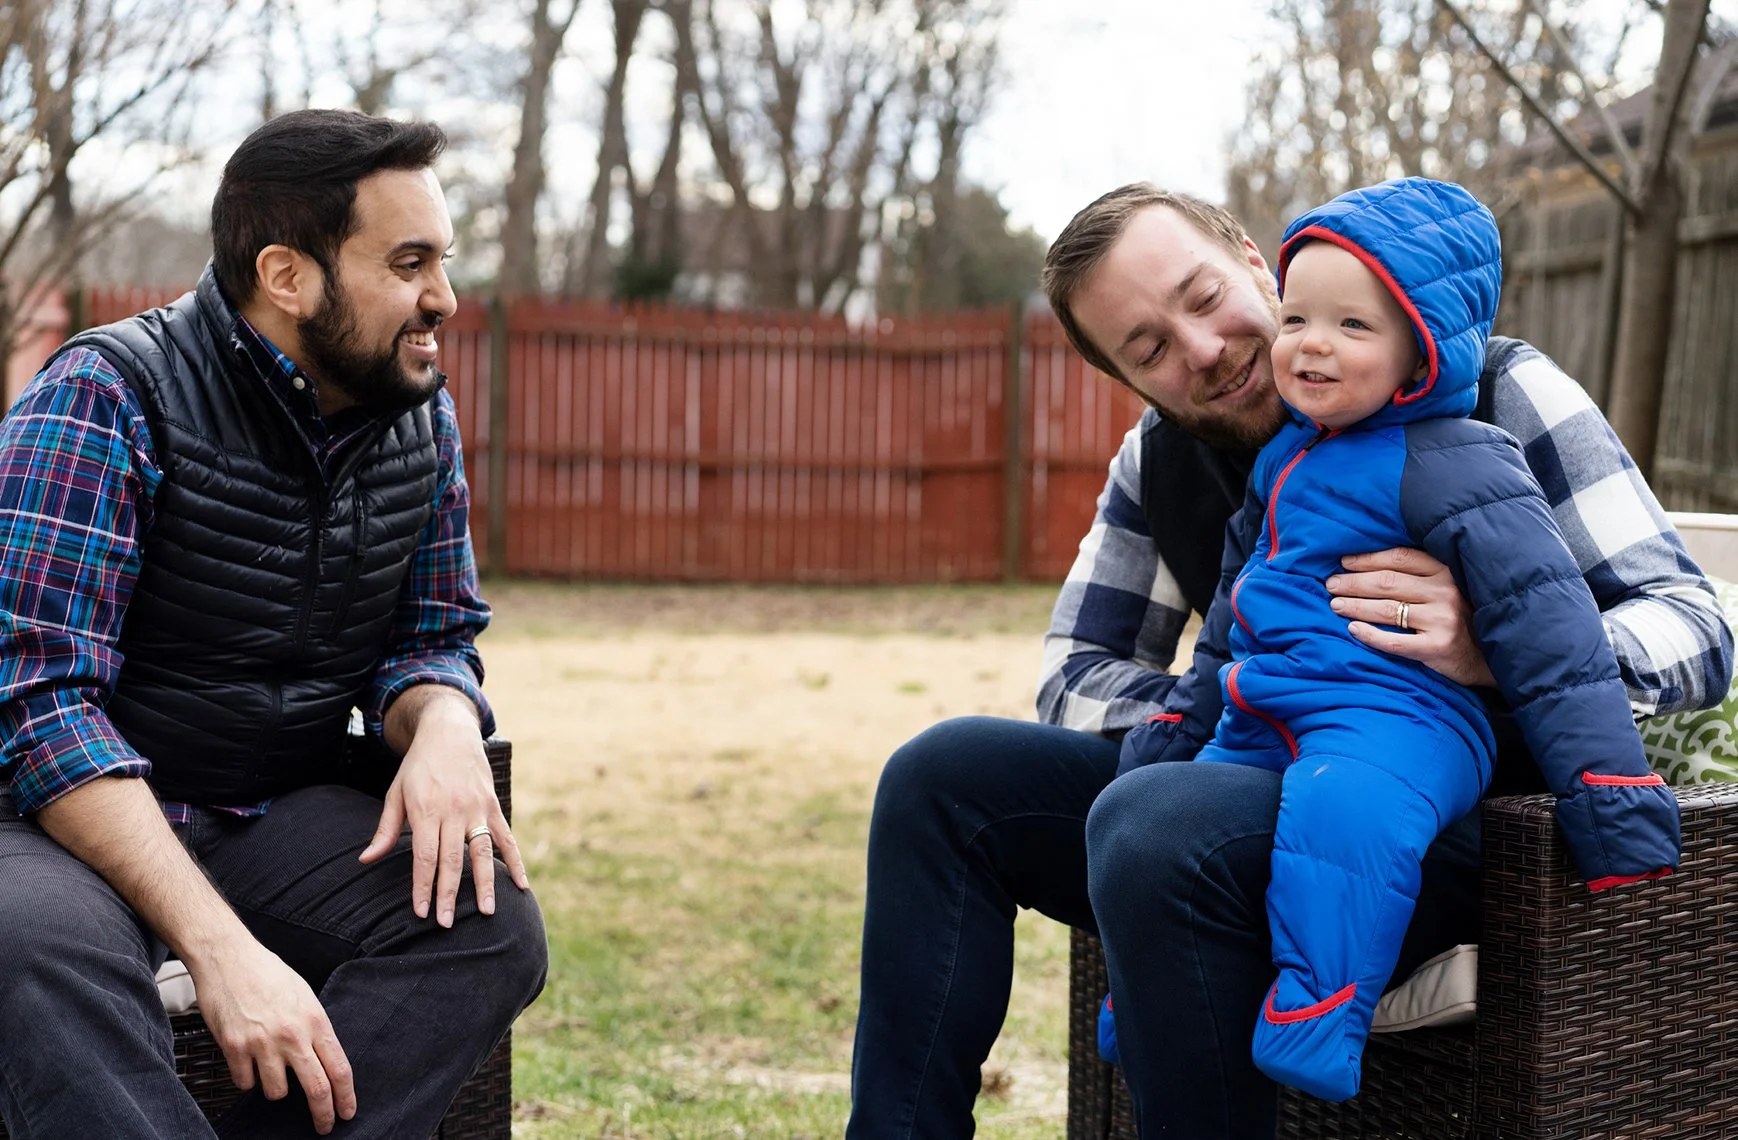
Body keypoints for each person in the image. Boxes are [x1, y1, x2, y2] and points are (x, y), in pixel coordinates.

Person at [847, 180, 1732, 1139]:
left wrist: (1490, 648)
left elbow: (1697, 624)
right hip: (1244, 777)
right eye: (1147, 349)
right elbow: (1075, 673)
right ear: (1127, 378)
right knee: (941, 780)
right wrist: (1240, 701)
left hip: (1463, 821)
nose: (1200, 350)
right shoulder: (1162, 461)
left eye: (1200, 297)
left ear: (1252, 258)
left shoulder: (1490, 389)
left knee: (1156, 822)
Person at [0, 109, 547, 1139]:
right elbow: (37, 707)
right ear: (287, 277)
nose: (444, 297)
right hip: (49, 825)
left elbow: (430, 635)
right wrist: (217, 945)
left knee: (484, 924)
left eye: (443, 260)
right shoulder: (104, 396)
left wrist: (440, 725)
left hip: (253, 806)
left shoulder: (416, 418)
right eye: (408, 262)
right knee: (33, 951)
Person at [1114, 177, 1679, 1103]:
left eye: (1352, 327)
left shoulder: (1463, 457)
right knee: (1170, 803)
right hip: (1276, 700)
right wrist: (1180, 726)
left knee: (1344, 818)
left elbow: (1556, 634)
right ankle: (1154, 1014)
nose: (1311, 345)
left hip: (1404, 717)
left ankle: (1320, 1009)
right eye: (1297, 320)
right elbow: (1231, 613)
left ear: (1419, 348)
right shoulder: (1284, 459)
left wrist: (1610, 795)